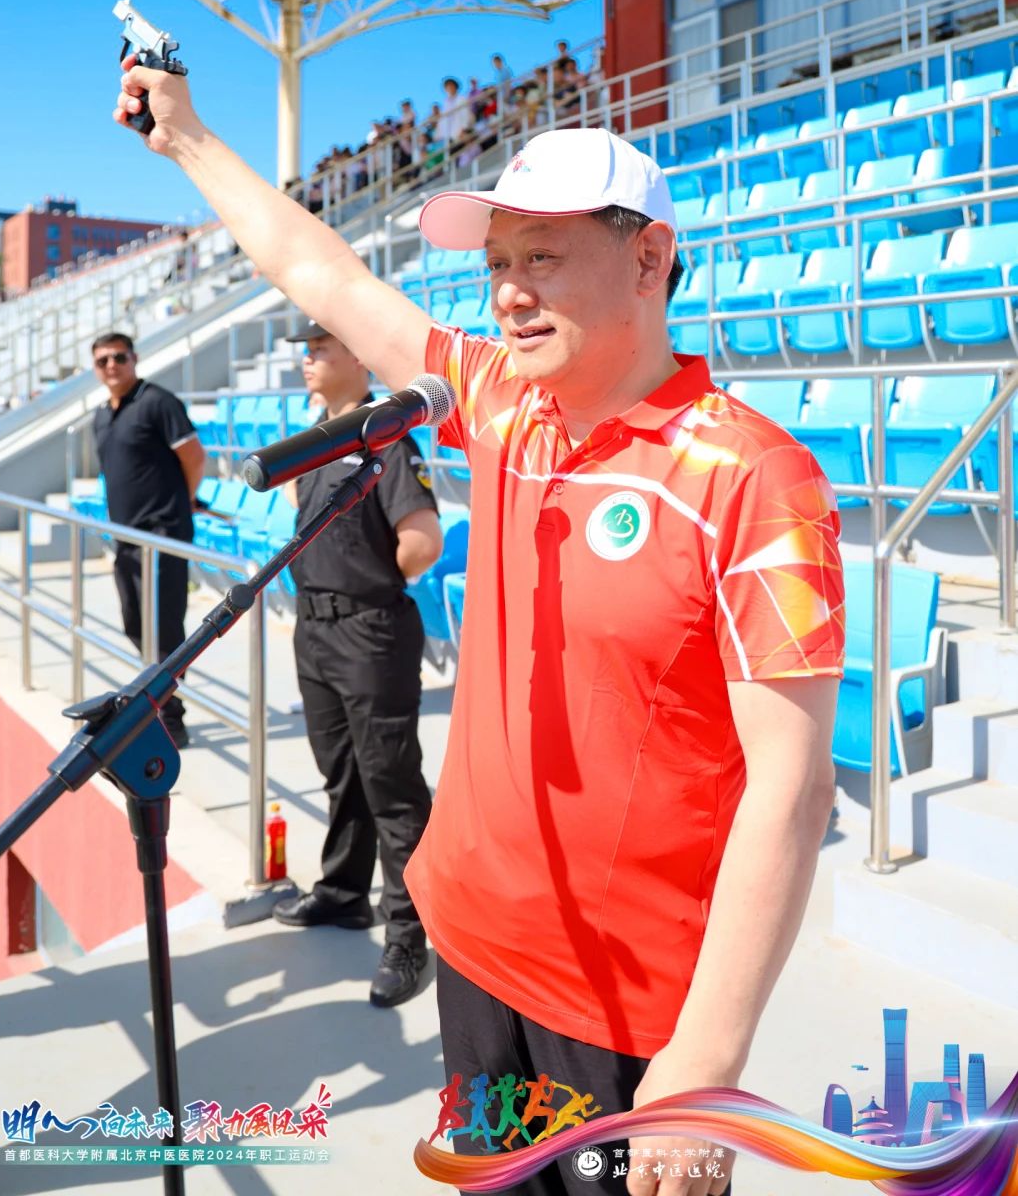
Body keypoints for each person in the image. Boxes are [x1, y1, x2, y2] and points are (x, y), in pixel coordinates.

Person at [113, 60, 843, 1196]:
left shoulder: (756, 477)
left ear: (647, 258)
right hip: (473, 947)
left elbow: (791, 788)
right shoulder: (502, 403)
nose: (505, 292)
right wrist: (188, 139)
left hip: (626, 1007)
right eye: (496, 262)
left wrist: (706, 1059)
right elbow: (324, 271)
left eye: (541, 256)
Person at [273, 318, 442, 1009]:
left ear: (358, 357)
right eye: (307, 351)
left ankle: (411, 933)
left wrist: (369, 586)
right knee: (340, 773)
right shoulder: (317, 440)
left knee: (391, 785)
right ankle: (345, 892)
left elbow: (422, 542)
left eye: (320, 348)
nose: (308, 360)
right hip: (315, 629)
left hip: (369, 631)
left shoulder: (385, 438)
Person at [91, 332, 207, 749]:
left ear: (134, 358)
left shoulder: (158, 402)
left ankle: (171, 718)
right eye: (102, 360)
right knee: (134, 621)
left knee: (164, 627)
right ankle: (156, 697)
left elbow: (194, 456)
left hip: (163, 533)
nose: (111, 366)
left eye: (119, 357)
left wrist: (183, 502)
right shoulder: (102, 414)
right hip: (126, 536)